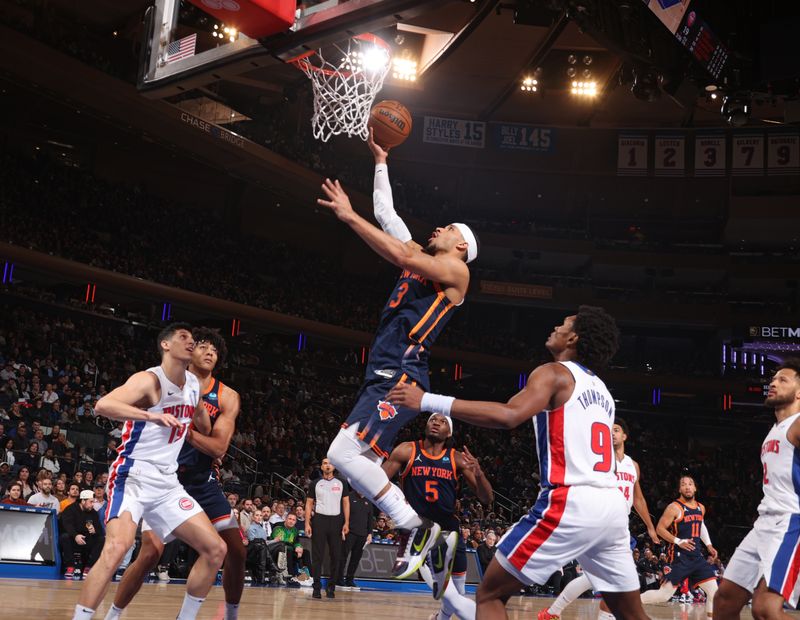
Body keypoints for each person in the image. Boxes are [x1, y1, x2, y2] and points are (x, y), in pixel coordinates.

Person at [389, 306, 650, 620]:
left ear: (575, 337)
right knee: (633, 616)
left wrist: (427, 400)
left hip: (572, 501)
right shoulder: (604, 393)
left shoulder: (554, 372)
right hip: (611, 508)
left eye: (564, 324)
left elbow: (509, 415)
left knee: (490, 595)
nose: (555, 327)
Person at [320, 133, 477, 585]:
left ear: (461, 245)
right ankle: (427, 538)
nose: (437, 230)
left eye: (446, 229)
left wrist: (349, 217)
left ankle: (416, 527)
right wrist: (381, 162)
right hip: (385, 371)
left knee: (340, 453)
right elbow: (387, 216)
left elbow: (396, 247)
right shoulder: (418, 258)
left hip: (402, 374)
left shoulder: (456, 272)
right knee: (359, 461)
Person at [71, 323, 226, 620]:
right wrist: (150, 416)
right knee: (118, 546)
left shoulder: (193, 385)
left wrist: (200, 427)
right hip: (133, 474)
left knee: (215, 549)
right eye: (183, 337)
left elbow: (202, 422)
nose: (190, 341)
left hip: (167, 482)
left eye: (193, 339)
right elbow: (103, 405)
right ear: (165, 345)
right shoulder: (149, 380)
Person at [105, 327, 244, 620]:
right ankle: (114, 613)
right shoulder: (160, 382)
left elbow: (218, 448)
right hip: (165, 478)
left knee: (236, 549)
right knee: (150, 553)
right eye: (203, 346)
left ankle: (230, 614)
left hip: (201, 480)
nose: (208, 352)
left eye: (215, 350)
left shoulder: (227, 396)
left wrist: (185, 429)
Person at [540, 416, 660, 620]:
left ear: (625, 436)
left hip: (620, 527)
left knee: (593, 578)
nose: (612, 433)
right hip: (599, 521)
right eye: (609, 430)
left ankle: (552, 612)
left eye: (616, 430)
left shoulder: (634, 465)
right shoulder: (599, 459)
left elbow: (638, 498)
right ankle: (555, 612)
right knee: (615, 581)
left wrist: (650, 526)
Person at [382, 412, 493, 617]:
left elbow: (487, 498)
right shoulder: (407, 449)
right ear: (426, 426)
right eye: (433, 420)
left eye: (443, 422)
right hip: (420, 534)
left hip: (450, 530)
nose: (436, 423)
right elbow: (378, 482)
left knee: (458, 593)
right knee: (452, 598)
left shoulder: (456, 458)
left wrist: (480, 474)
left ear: (448, 432)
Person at [715, 360, 800, 620]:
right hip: (765, 523)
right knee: (725, 600)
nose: (773, 383)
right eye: (773, 379)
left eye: (783, 380)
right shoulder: (776, 429)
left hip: (790, 522)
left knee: (765, 609)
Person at [639, 475, 718, 617]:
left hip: (696, 557)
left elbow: (700, 525)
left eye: (690, 484)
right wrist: (678, 541)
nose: (687, 486)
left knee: (714, 592)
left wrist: (709, 544)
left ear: (695, 488)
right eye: (683, 484)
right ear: (679, 489)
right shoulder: (674, 507)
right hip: (678, 557)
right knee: (663, 596)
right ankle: (631, 602)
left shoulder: (701, 508)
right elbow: (660, 529)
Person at [305, 457, 350, 599]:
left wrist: (346, 522)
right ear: (321, 467)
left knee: (335, 556)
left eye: (330, 463)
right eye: (325, 463)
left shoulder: (342, 483)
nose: (328, 465)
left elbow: (346, 503)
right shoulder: (315, 483)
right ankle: (316, 588)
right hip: (319, 520)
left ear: (334, 467)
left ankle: (331, 587)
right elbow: (309, 504)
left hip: (336, 521)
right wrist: (307, 522)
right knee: (317, 556)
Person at [61, 490, 105, 578]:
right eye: (91, 502)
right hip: (74, 539)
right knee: (64, 537)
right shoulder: (70, 509)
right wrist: (75, 535)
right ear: (83, 501)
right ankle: (70, 566)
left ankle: (89, 567)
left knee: (101, 539)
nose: (93, 504)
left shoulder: (93, 513)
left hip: (87, 540)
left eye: (93, 502)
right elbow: (67, 525)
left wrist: (94, 530)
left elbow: (100, 530)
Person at [337, 490, 374, 591]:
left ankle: (350, 579)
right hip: (349, 533)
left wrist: (370, 534)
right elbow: (341, 514)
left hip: (362, 535)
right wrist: (341, 530)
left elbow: (370, 519)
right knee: (343, 557)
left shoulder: (368, 501)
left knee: (355, 559)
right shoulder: (348, 497)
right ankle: (339, 579)